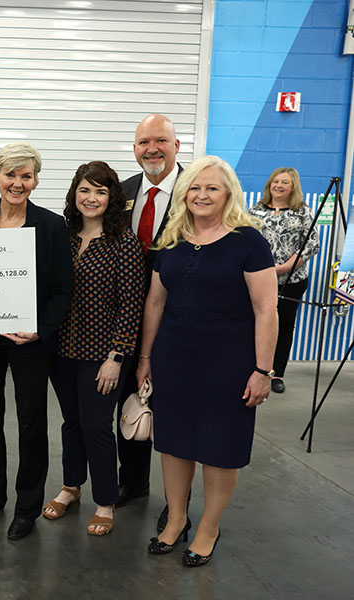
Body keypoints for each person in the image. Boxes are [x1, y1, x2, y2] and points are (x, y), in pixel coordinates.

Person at [137, 155, 277, 567]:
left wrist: (262, 370)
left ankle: (208, 527)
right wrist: (145, 356)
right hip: (174, 357)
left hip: (229, 363)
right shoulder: (173, 238)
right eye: (195, 187)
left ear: (228, 193)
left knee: (220, 448)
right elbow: (155, 302)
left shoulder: (249, 241)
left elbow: (267, 310)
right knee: (174, 443)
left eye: (212, 187)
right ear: (184, 194)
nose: (202, 194)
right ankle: (176, 518)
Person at [0, 143, 72, 540]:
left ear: (36, 181)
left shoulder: (51, 225)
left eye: (27, 176)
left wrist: (41, 329)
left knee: (31, 423)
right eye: (11, 175)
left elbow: (62, 289)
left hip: (30, 342)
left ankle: (27, 506)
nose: (18, 183)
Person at [44, 161, 144, 536]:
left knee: (97, 425)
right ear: (74, 194)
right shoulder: (62, 234)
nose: (92, 198)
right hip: (61, 349)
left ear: (112, 197)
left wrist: (117, 358)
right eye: (85, 190)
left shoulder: (124, 242)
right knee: (71, 423)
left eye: (100, 191)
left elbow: (132, 304)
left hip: (103, 355)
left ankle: (104, 501)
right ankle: (71, 487)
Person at [118, 114, 184, 529]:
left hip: (178, 322)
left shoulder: (196, 189)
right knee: (130, 401)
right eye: (144, 142)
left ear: (177, 145)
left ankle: (177, 501)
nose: (152, 149)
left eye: (160, 140)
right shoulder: (122, 191)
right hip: (125, 321)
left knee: (176, 410)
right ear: (135, 148)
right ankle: (134, 482)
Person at [248, 167, 319, 394]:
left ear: (293, 187)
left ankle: (276, 373)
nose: (278, 185)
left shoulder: (303, 212)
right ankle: (253, 369)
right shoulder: (255, 211)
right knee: (254, 324)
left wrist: (285, 267)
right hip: (257, 280)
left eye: (284, 182)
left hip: (292, 280)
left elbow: (312, 244)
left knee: (284, 326)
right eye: (275, 181)